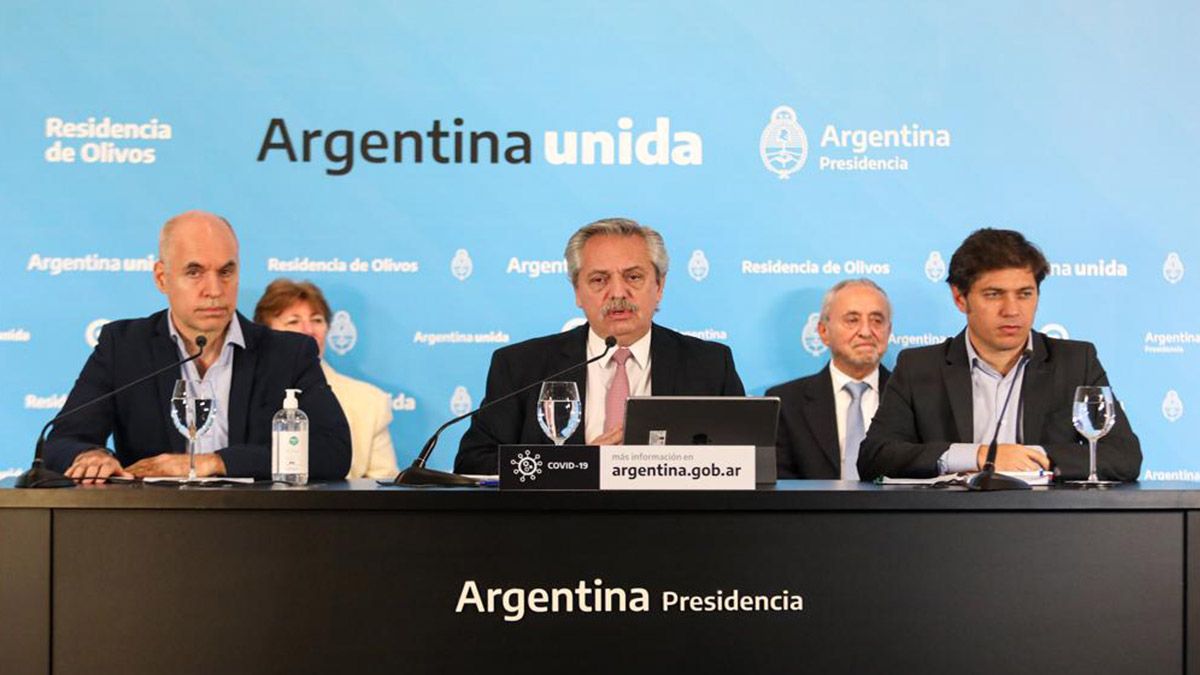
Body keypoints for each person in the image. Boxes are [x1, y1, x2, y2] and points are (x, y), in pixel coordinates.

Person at [44, 210, 351, 482]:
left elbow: (333, 452)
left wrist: (214, 463)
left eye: (226, 272)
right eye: (194, 272)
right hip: (153, 522)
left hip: (258, 523)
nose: (214, 290)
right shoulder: (123, 346)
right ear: (162, 278)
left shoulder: (288, 353)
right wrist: (92, 456)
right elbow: (62, 441)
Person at [454, 217, 745, 475]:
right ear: (577, 292)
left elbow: (749, 462)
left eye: (633, 277)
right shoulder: (521, 367)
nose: (617, 293)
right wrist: (579, 464)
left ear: (659, 286)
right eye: (599, 280)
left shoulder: (709, 365)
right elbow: (474, 463)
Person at [858, 228, 1141, 481]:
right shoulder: (919, 367)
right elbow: (875, 457)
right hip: (952, 520)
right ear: (960, 298)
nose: (1012, 310)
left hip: (1045, 519)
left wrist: (1033, 457)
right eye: (994, 294)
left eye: (1025, 294)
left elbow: (1123, 456)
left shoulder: (1076, 361)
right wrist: (979, 455)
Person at [254, 279, 400, 479]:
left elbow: (383, 484)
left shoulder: (369, 401)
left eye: (317, 320)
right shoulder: (244, 391)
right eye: (293, 321)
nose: (309, 331)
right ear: (265, 332)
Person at [767, 279, 892, 479]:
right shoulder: (786, 403)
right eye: (852, 320)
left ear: (889, 330)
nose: (866, 332)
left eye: (877, 321)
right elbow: (779, 482)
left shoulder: (913, 398)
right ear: (823, 331)